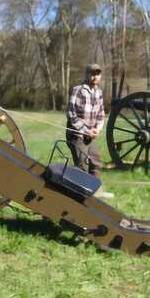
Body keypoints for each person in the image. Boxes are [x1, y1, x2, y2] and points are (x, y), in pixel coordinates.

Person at [66, 63, 113, 198]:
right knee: (82, 165)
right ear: (87, 75)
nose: (94, 77)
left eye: (97, 74)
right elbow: (71, 114)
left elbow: (101, 114)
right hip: (77, 135)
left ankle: (96, 191)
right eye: (92, 74)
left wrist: (97, 129)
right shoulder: (78, 90)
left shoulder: (98, 92)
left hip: (91, 135)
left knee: (96, 162)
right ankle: (81, 195)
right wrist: (86, 130)